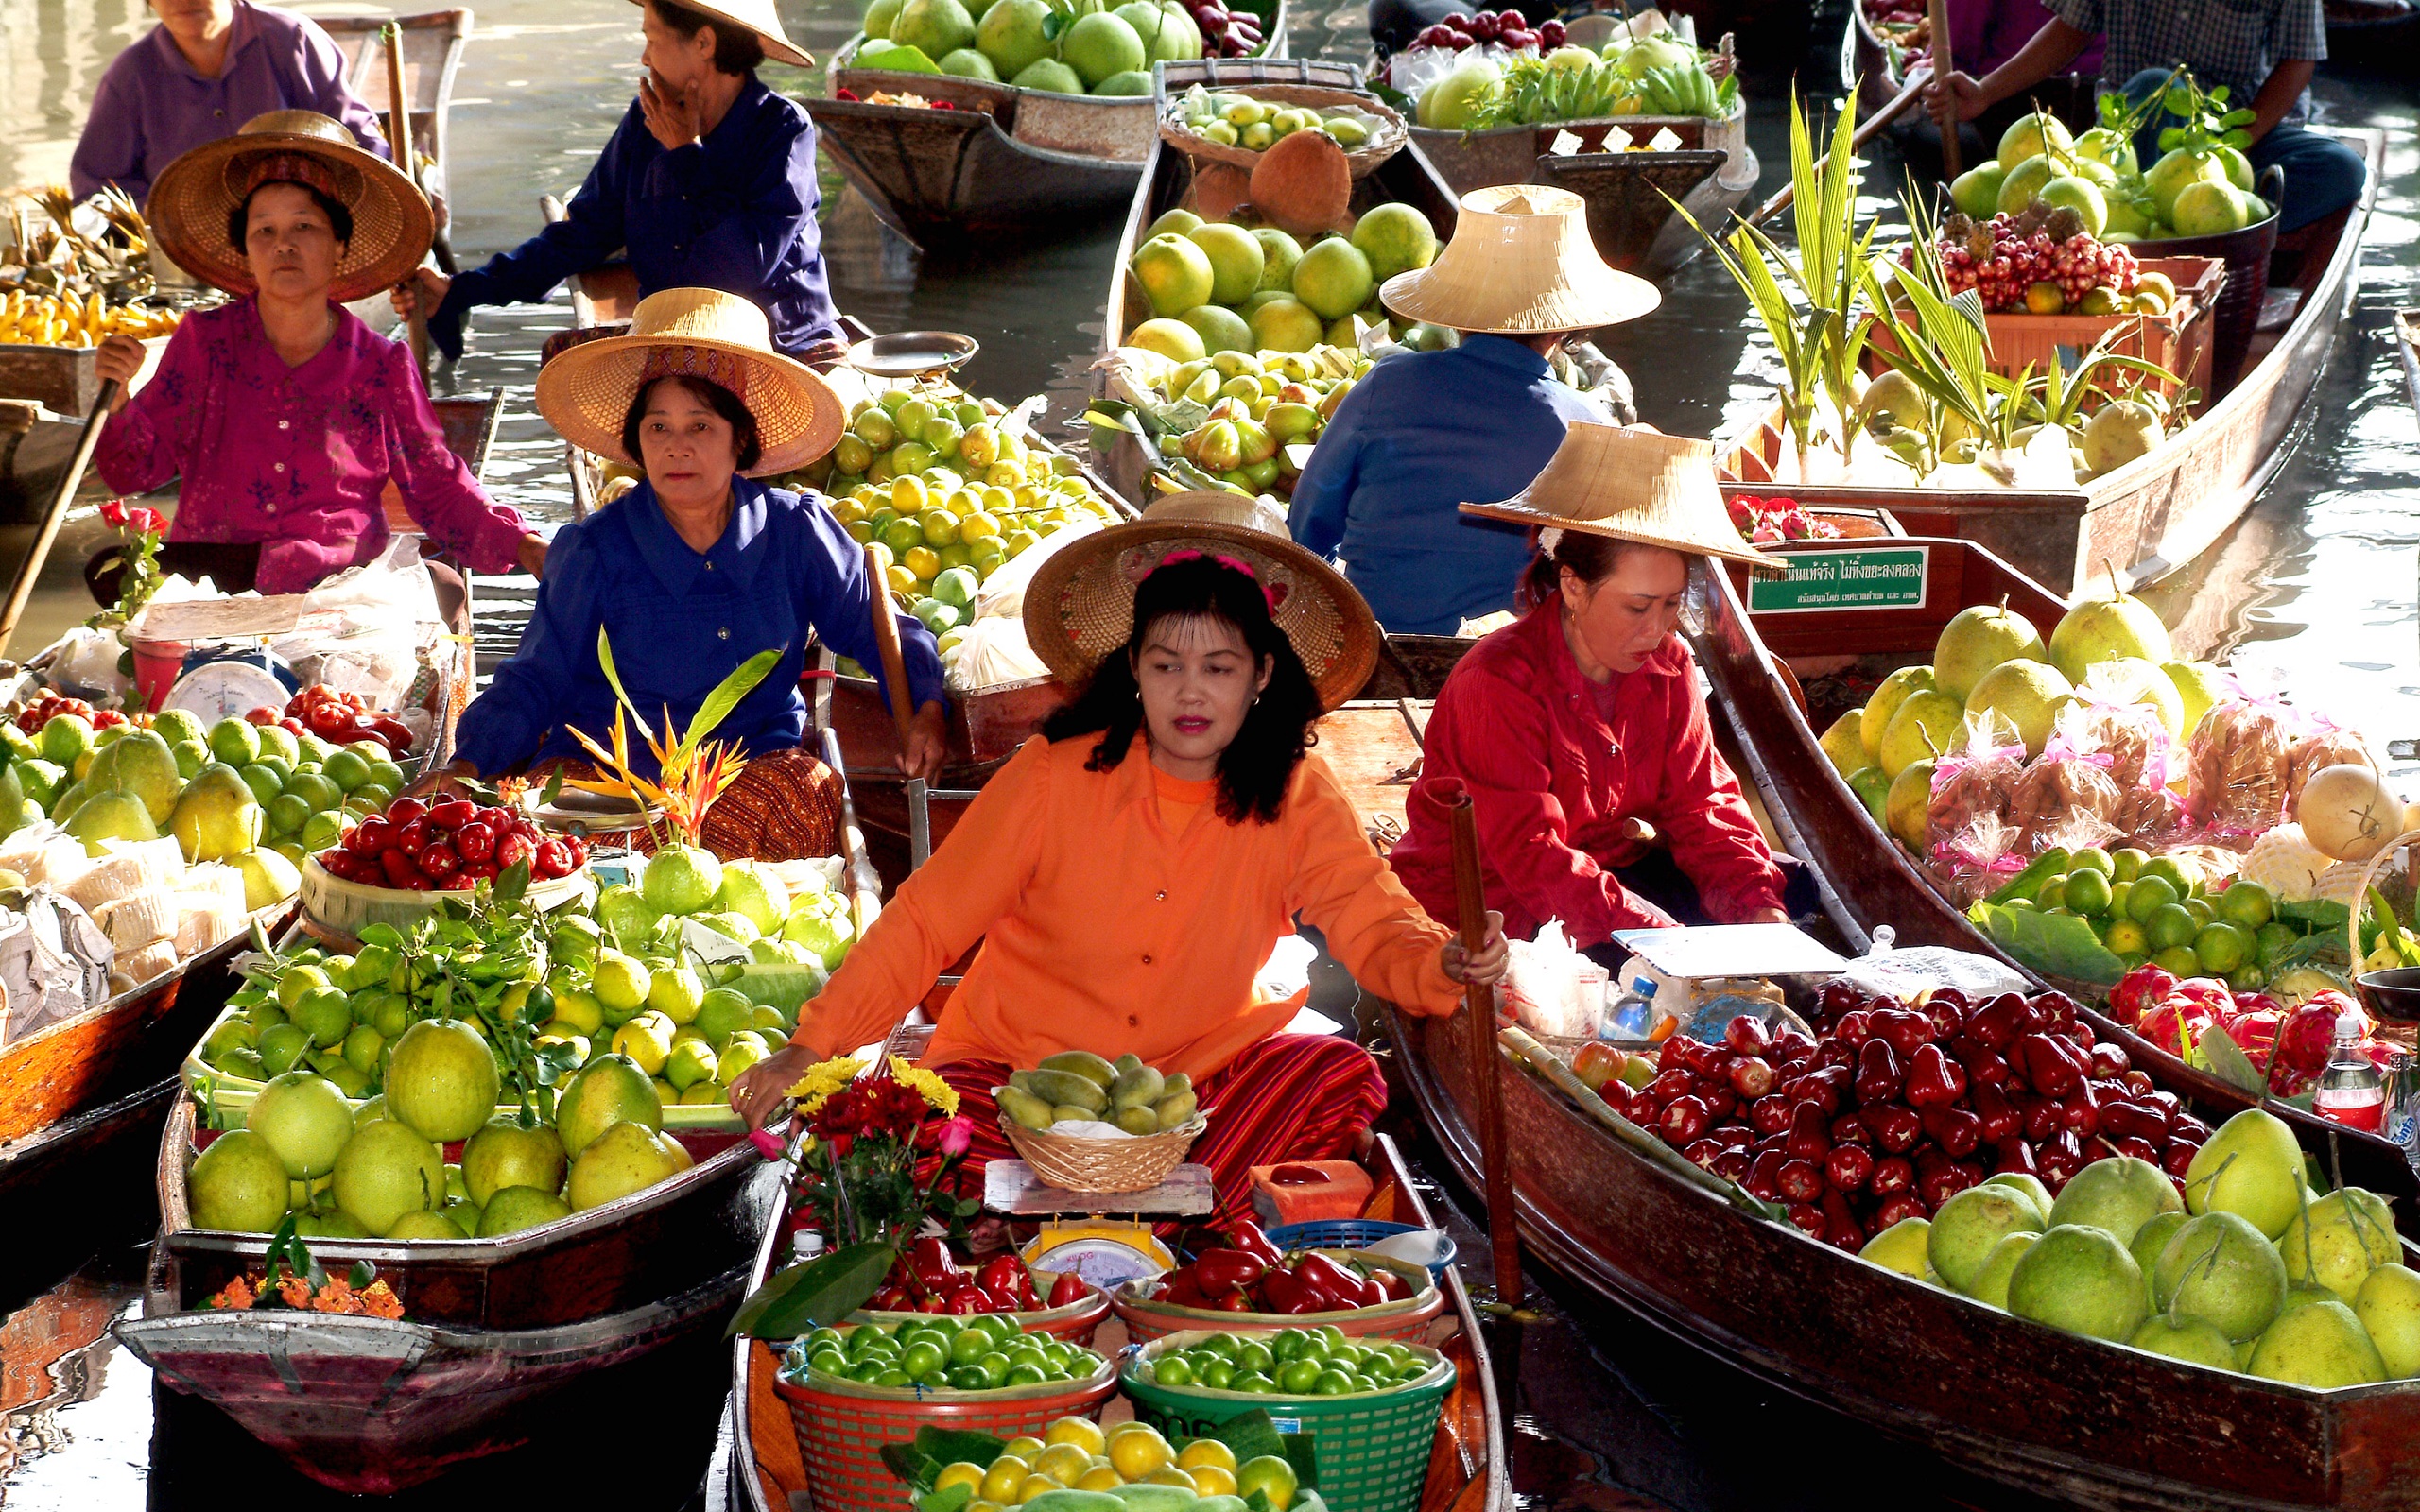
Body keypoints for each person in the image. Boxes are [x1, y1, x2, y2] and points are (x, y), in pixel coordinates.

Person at [728, 493, 1510, 1221]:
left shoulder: (1298, 794)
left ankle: (1169, 1227)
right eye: (1167, 665)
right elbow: (926, 922)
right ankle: (1179, 1225)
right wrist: (814, 1044)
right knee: (921, 1137)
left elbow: (1371, 918)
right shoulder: (1049, 777)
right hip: (1018, 1080)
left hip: (1197, 1086)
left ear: (1262, 676)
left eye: (1220, 668)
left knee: (1340, 1077)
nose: (1190, 694)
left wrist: (1442, 964)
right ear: (1134, 670)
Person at [427, 288, 947, 860]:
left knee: (807, 791)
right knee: (552, 844)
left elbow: (880, 628)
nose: (677, 448)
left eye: (700, 427)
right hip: (608, 781)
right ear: (637, 440)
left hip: (750, 776)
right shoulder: (594, 550)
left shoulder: (798, 532)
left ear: (739, 438)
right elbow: (536, 679)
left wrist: (927, 707)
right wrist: (468, 763)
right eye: (659, 428)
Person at [88, 112, 539, 627]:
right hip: (215, 582)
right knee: (110, 575)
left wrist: (524, 546)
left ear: (339, 246)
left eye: (305, 226)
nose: (284, 244)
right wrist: (118, 398)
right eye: (265, 231)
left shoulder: (382, 363)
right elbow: (133, 471)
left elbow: (437, 484)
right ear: (247, 252)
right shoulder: (203, 343)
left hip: (339, 585)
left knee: (447, 591)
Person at [1388, 423, 1815, 963]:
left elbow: (1703, 802)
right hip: (1501, 906)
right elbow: (1535, 856)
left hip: (1598, 874)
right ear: (1572, 586)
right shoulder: (1496, 684)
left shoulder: (1670, 664)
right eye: (1638, 607)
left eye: (1671, 604)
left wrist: (1758, 908)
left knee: (1785, 890)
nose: (1656, 629)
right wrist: (1661, 937)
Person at [1288, 184, 1659, 636]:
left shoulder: (1384, 386)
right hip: (1511, 665)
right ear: (1564, 329)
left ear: (1457, 312)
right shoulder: (1586, 425)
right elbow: (1597, 576)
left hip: (1376, 646)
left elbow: (1308, 530)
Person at [392, 0, 841, 363]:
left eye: (651, 39)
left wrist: (686, 155)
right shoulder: (646, 122)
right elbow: (579, 236)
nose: (644, 57)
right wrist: (463, 288)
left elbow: (744, 267)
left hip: (780, 346)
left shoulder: (783, 130)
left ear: (704, 43)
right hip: (673, 344)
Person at [1925, 0, 2366, 232]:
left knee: (2342, 169)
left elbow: (2298, 60)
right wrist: (1985, 92)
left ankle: (2221, 233)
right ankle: (2170, 234)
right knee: (2158, 83)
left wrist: (2235, 142)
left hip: (2228, 134)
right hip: (2128, 138)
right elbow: (2072, 27)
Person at [71, 0, 390, 208]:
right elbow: (95, 186)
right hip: (185, 255)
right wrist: (165, 219)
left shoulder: (292, 39)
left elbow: (360, 141)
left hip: (301, 233)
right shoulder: (131, 74)